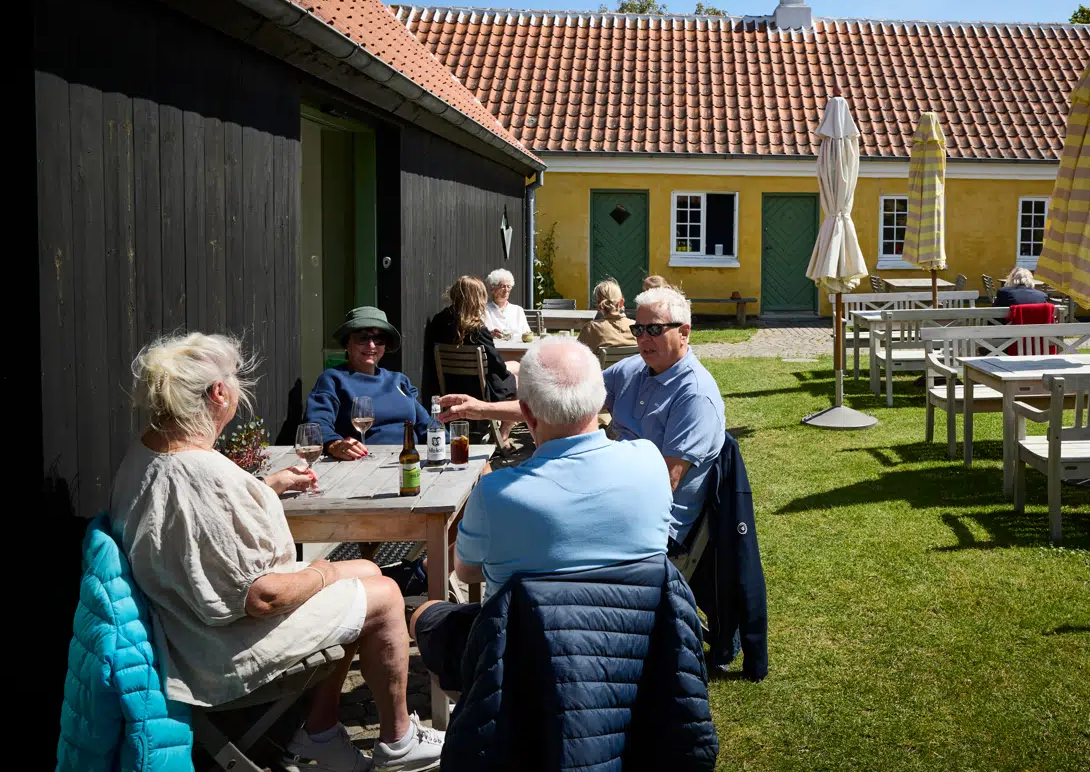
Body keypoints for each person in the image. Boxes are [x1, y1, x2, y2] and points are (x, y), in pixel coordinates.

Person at [110, 333, 444, 771]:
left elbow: (203, 521)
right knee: (383, 597)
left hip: (183, 621)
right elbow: (261, 596)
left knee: (364, 567)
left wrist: (266, 487)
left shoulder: (149, 452)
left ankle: (320, 734)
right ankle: (397, 739)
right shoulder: (201, 473)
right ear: (218, 393)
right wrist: (321, 574)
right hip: (217, 650)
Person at [410, 336, 674, 678]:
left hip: (527, 665)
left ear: (528, 418)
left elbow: (466, 572)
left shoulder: (496, 493)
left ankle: (461, 714)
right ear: (600, 402)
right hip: (638, 652)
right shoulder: (651, 461)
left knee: (426, 615)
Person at [603, 287, 726, 564]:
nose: (644, 339)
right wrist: (489, 408)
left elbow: (664, 484)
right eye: (639, 330)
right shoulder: (632, 368)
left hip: (653, 528)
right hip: (618, 500)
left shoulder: (695, 394)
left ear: (684, 332)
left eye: (655, 330)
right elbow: (576, 400)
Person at [305, 307, 438, 460]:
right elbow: (316, 423)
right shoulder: (334, 379)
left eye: (379, 339)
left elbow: (426, 424)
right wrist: (335, 444)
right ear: (347, 343)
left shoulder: (398, 380)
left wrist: (448, 444)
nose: (371, 345)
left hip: (411, 459)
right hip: (366, 463)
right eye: (363, 338)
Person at [421, 276, 519, 404]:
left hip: (448, 385)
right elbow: (497, 366)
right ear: (477, 299)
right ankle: (505, 424)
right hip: (479, 391)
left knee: (515, 367)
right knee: (519, 378)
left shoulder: (439, 320)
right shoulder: (477, 329)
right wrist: (509, 376)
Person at [578, 277, 637, 353]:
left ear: (599, 305)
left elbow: (577, 355)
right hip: (630, 365)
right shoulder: (635, 327)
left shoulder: (591, 328)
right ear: (621, 302)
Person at [485, 269, 530, 339]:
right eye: (502, 286)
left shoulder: (518, 310)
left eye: (508, 286)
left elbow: (527, 333)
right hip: (494, 348)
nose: (506, 290)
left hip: (517, 348)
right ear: (492, 289)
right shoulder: (485, 310)